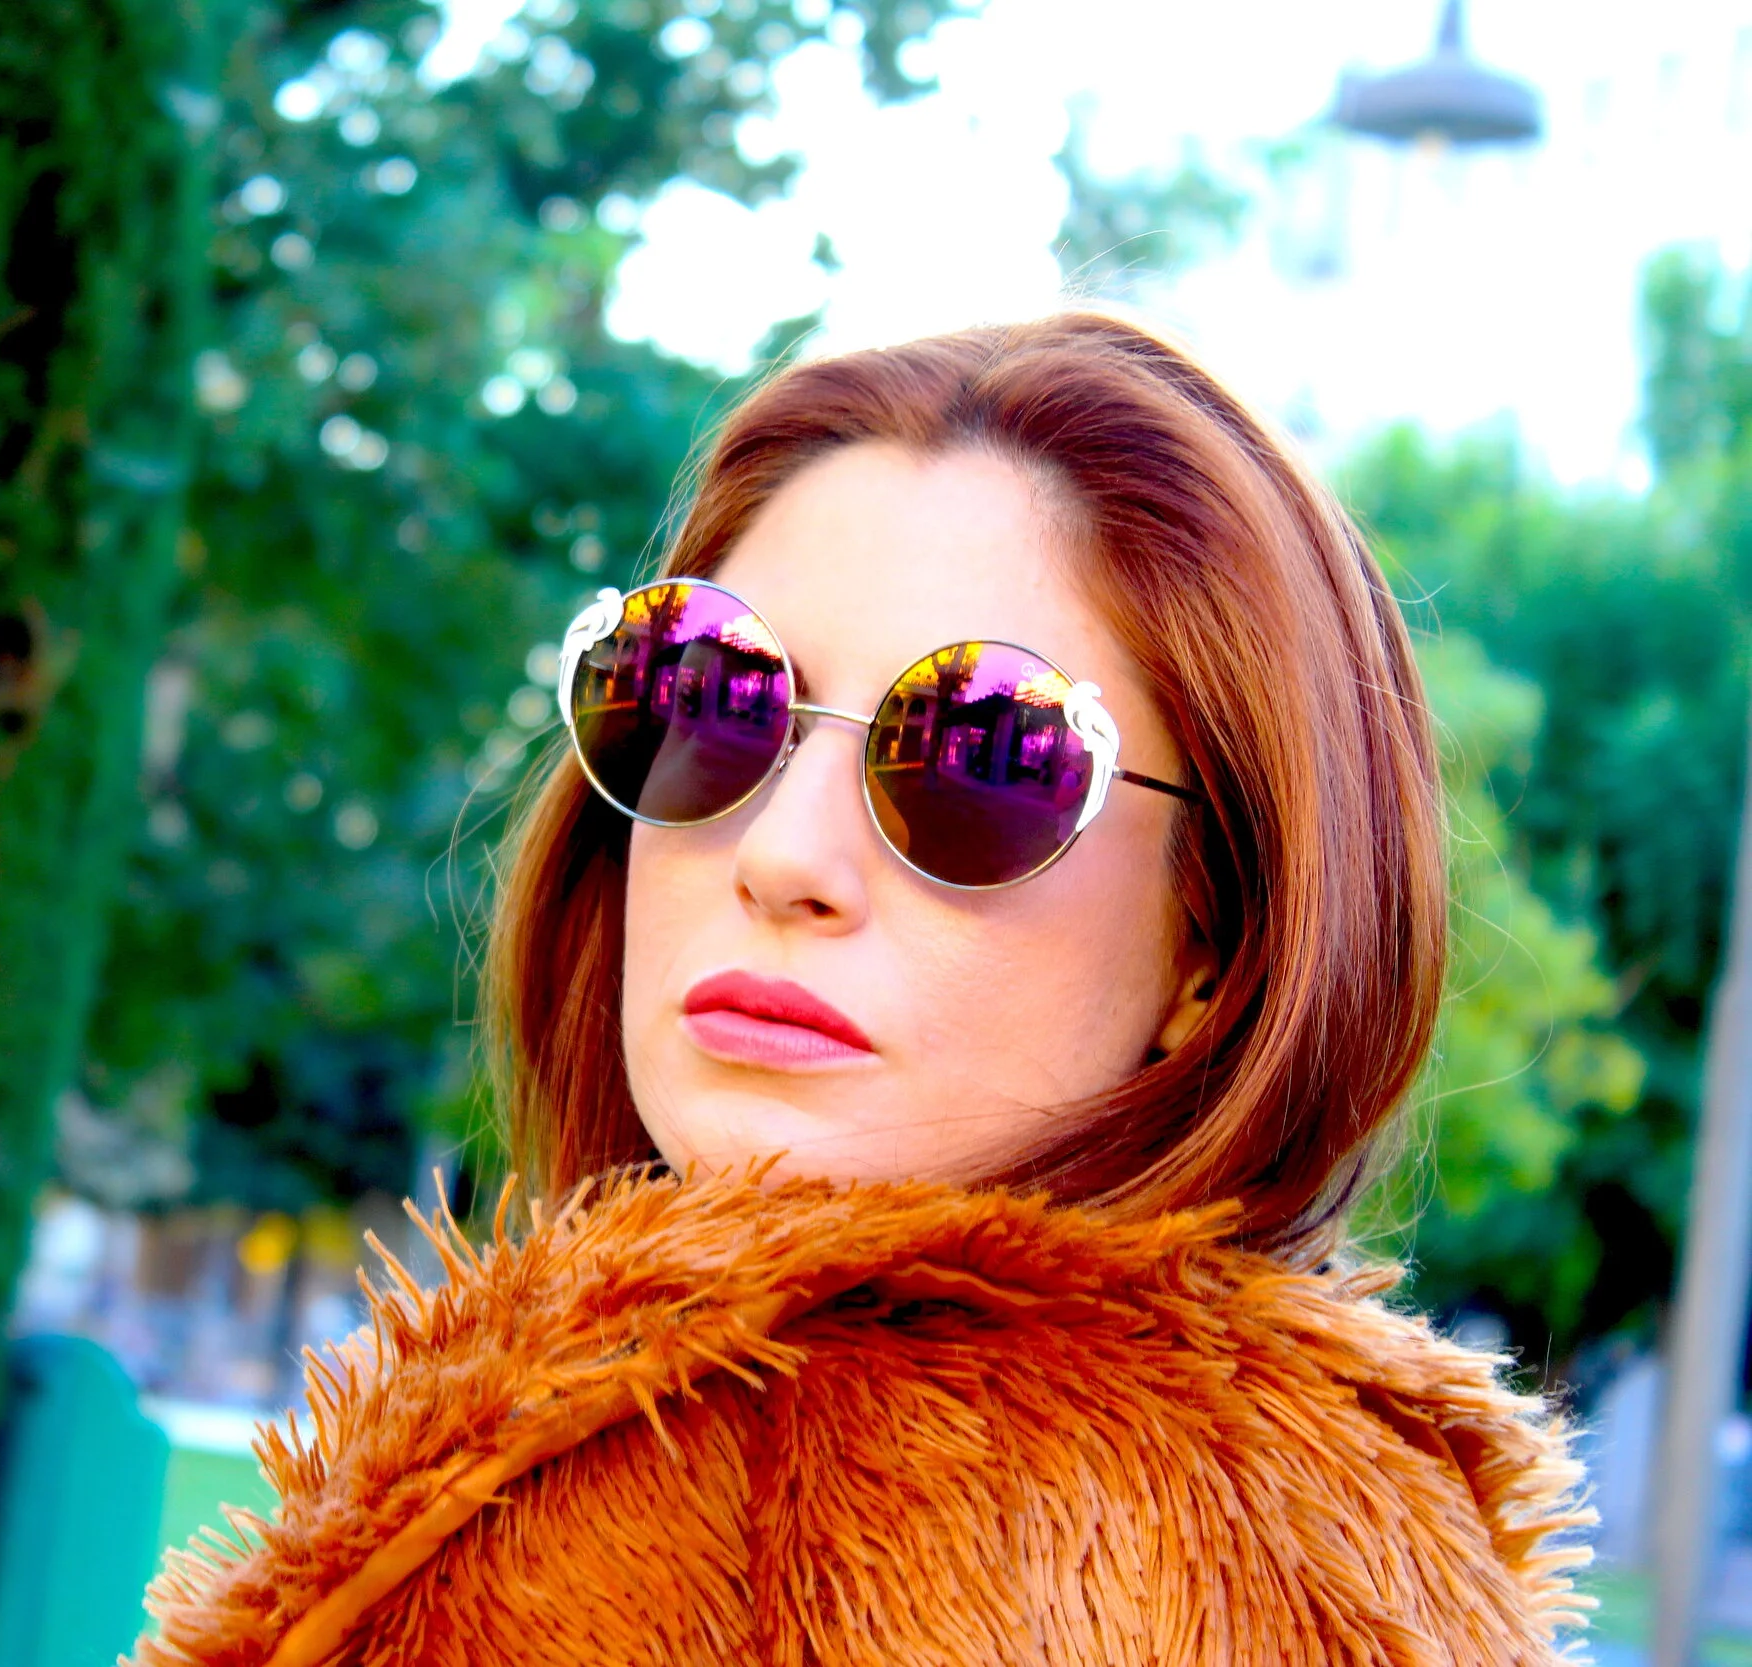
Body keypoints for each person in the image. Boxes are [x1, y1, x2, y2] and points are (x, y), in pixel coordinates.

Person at [136, 315, 1591, 1665]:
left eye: (975, 760)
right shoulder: (1344, 1539)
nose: (783, 858)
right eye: (705, 698)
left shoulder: (690, 1526)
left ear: (1218, 952)